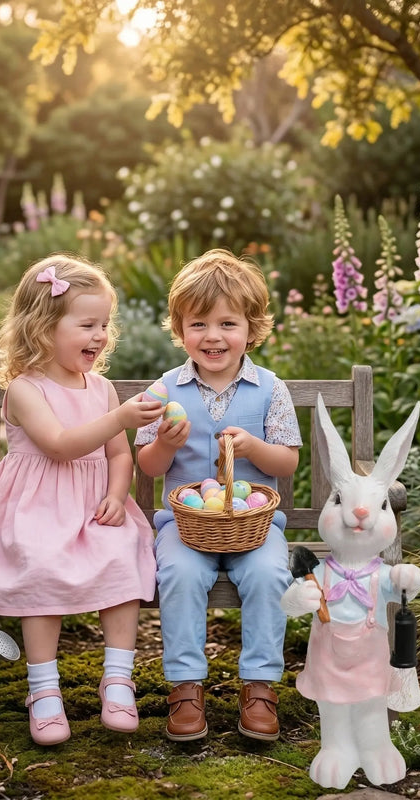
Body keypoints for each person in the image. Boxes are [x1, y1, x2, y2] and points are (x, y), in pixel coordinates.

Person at [0, 254, 164, 746]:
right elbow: (59, 444)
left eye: (104, 325)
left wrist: (118, 495)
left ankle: (118, 678)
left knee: (122, 558)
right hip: (36, 512)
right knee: (40, 563)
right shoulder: (25, 389)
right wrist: (120, 418)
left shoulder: (101, 388)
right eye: (87, 324)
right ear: (43, 327)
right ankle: (44, 689)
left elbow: (119, 455)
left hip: (94, 508)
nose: (99, 336)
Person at [135, 249, 302, 742]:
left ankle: (260, 687)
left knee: (271, 574)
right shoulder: (165, 390)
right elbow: (147, 466)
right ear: (179, 329)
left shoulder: (270, 389)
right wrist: (165, 443)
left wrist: (256, 449)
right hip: (184, 526)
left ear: (252, 329)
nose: (212, 336)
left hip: (256, 528)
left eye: (228, 323)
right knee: (179, 575)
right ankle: (186, 688)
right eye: (198, 324)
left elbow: (288, 462)